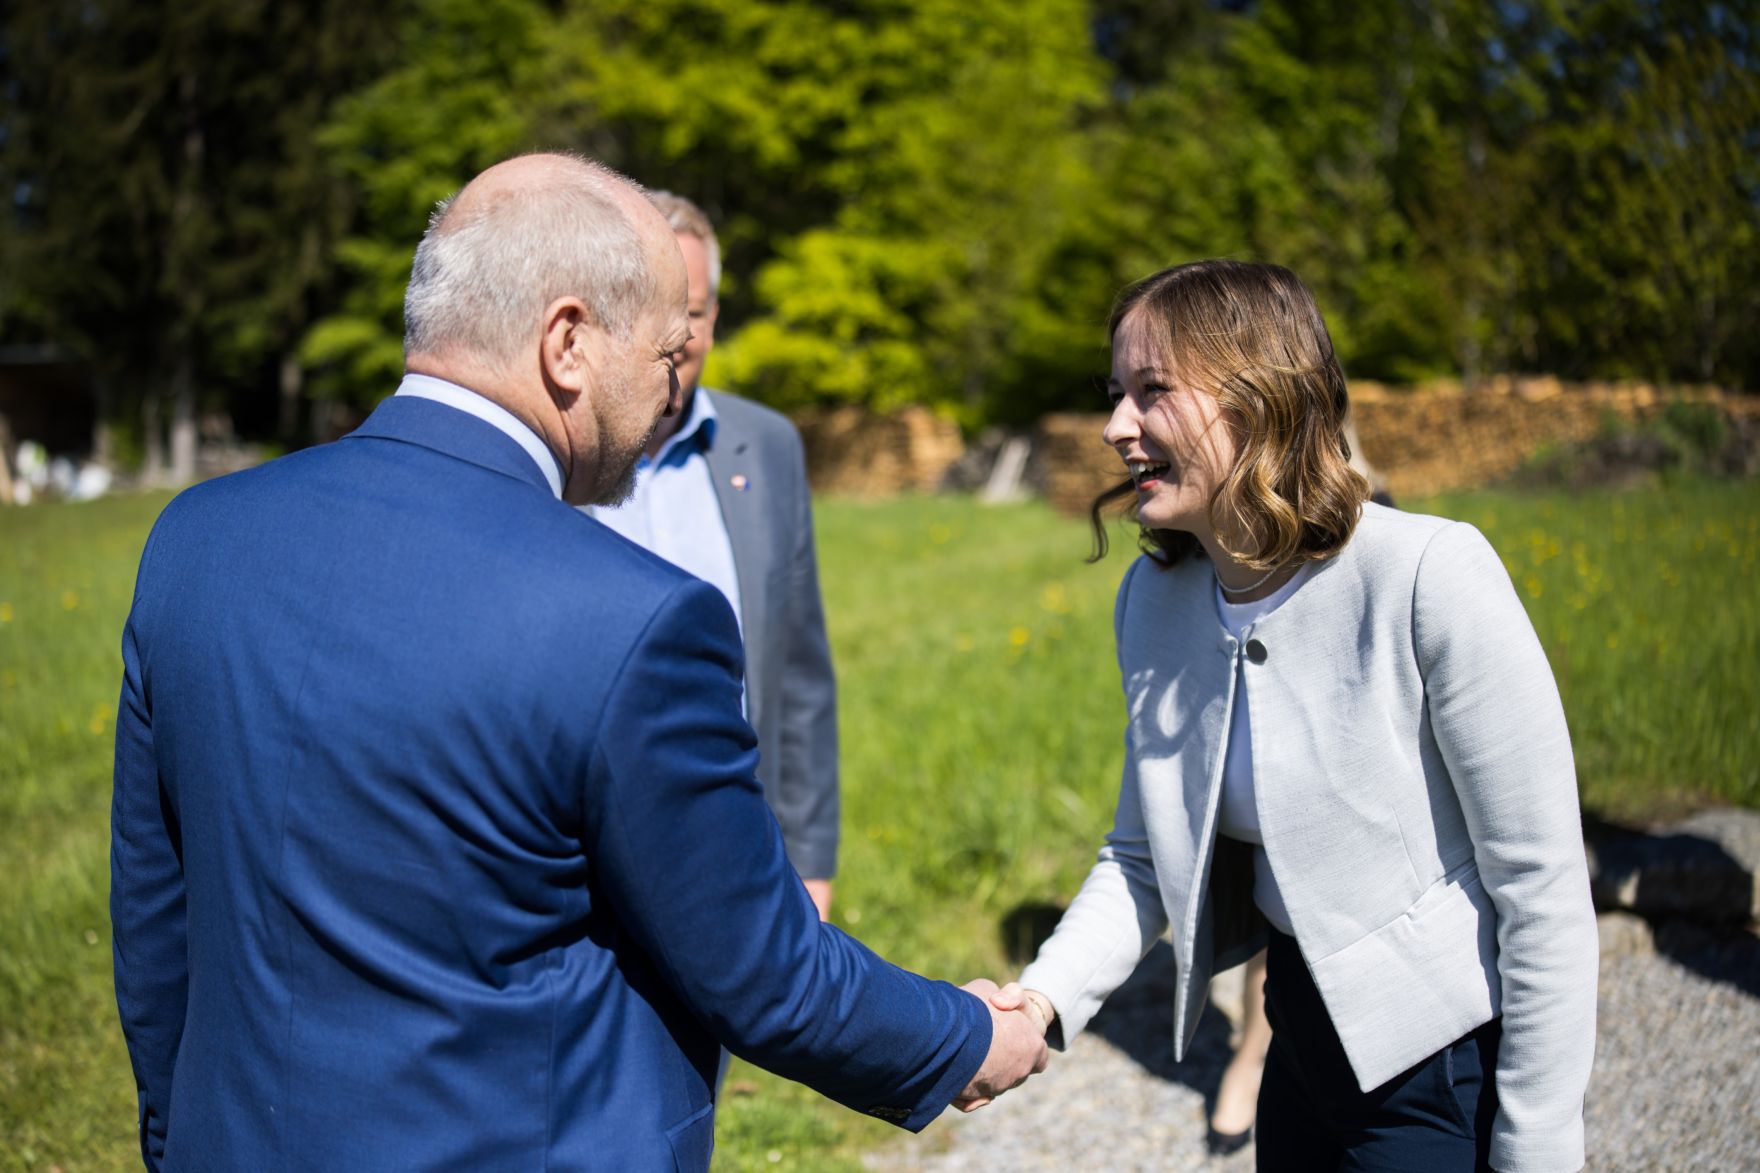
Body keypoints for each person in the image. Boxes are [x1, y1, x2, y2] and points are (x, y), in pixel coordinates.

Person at [109, 152, 1046, 1172]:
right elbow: (760, 972)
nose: (669, 392)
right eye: (663, 352)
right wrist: (966, 1035)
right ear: (567, 343)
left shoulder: (194, 541)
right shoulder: (634, 619)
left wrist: (172, 1139)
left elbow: (158, 922)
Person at [993, 260, 1597, 1171]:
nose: (1117, 427)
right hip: (1297, 1040)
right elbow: (1143, 854)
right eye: (1115, 393)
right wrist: (1036, 1002)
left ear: (1261, 396)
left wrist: (1539, 1145)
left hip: (1439, 1068)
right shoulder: (1152, 603)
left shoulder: (1431, 574)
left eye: (1153, 391)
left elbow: (1542, 886)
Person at [591, 191, 838, 921]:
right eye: (656, 311)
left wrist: (812, 858)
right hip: (586, 840)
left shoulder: (765, 444)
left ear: (715, 316)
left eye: (692, 312)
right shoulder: (564, 457)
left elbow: (800, 672)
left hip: (735, 842)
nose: (678, 335)